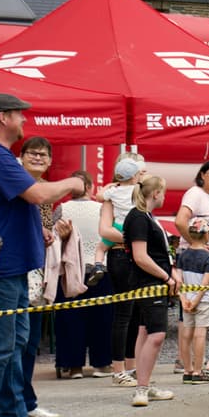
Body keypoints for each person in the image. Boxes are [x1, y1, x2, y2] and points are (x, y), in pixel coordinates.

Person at [0, 93, 84, 417]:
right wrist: (74, 184)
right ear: (3, 117)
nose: (24, 121)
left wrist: (38, 229)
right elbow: (37, 195)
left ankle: (13, 412)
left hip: (11, 263)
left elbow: (20, 201)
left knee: (14, 343)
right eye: (20, 115)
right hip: (3, 267)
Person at [122, 175, 179, 407]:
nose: (164, 196)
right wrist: (166, 276)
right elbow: (140, 256)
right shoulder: (138, 217)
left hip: (150, 282)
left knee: (145, 331)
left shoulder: (144, 216)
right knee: (156, 334)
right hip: (149, 283)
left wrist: (170, 272)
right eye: (163, 192)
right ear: (156, 193)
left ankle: (143, 383)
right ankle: (142, 388)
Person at [52, 170, 114, 379]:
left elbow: (54, 237)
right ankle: (101, 364)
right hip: (100, 267)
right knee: (102, 319)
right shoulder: (101, 208)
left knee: (70, 319)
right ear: (89, 187)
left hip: (71, 271)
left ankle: (73, 366)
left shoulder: (61, 209)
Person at [19, 136, 61, 417]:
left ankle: (26, 401)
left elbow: (44, 231)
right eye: (32, 153)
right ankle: (16, 404)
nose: (37, 158)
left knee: (31, 341)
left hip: (38, 271)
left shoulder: (45, 191)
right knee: (15, 343)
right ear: (21, 156)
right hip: (15, 271)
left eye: (43, 155)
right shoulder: (16, 184)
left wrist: (54, 233)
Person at [173, 159, 209, 374]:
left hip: (199, 260)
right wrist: (197, 245)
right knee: (193, 316)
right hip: (196, 262)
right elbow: (180, 221)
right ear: (202, 175)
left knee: (190, 315)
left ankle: (190, 362)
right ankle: (191, 364)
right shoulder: (195, 193)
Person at [98, 154, 145, 387]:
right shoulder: (127, 195)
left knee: (135, 313)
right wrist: (133, 237)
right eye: (140, 170)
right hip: (121, 255)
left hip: (135, 255)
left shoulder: (122, 194)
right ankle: (119, 369)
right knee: (124, 313)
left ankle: (131, 364)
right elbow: (105, 230)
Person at [86, 157, 145, 286]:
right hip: (133, 226)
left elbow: (99, 197)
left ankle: (98, 266)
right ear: (134, 177)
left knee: (101, 248)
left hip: (117, 226)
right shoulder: (138, 191)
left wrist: (108, 186)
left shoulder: (113, 192)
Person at [175, 217, 209, 384]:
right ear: (206, 235)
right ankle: (198, 371)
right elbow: (205, 283)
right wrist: (197, 300)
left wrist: (184, 299)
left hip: (187, 300)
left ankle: (187, 370)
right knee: (200, 335)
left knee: (186, 334)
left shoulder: (183, 255)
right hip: (203, 300)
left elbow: (179, 280)